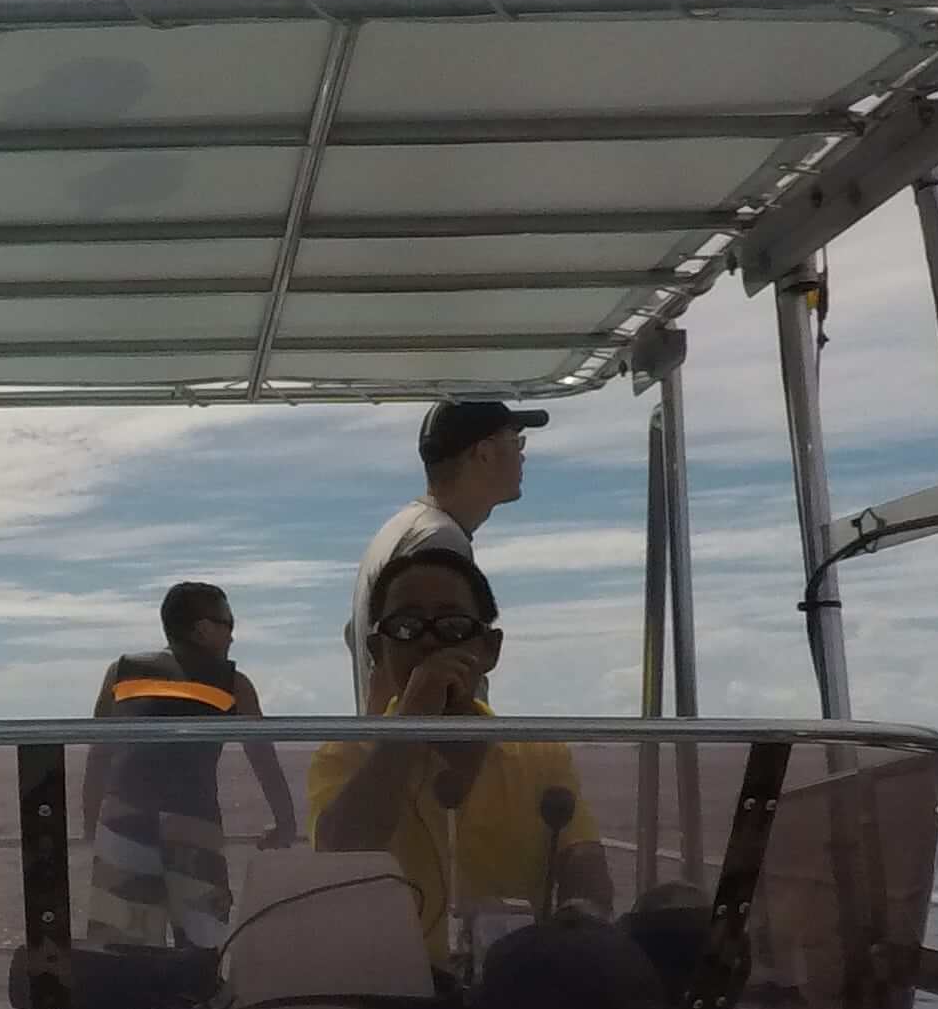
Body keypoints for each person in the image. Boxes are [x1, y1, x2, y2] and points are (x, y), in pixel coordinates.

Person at [309, 549, 612, 969]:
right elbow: (339, 852)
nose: (429, 642)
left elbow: (581, 854)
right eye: (407, 626)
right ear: (377, 650)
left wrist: (583, 921)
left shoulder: (540, 754)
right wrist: (412, 723)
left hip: (507, 988)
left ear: (490, 649)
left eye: (452, 626)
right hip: (383, 989)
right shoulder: (346, 755)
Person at [78, 581, 298, 948]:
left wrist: (90, 824)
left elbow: (100, 753)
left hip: (123, 820)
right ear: (203, 628)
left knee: (121, 953)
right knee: (202, 947)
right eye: (228, 623)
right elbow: (263, 757)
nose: (233, 635)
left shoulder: (122, 672)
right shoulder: (233, 684)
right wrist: (286, 823)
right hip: (193, 822)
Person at [346, 398, 547, 705]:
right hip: (426, 751)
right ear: (484, 453)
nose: (523, 455)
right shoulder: (438, 541)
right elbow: (434, 680)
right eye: (515, 441)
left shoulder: (402, 529)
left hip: (399, 746)